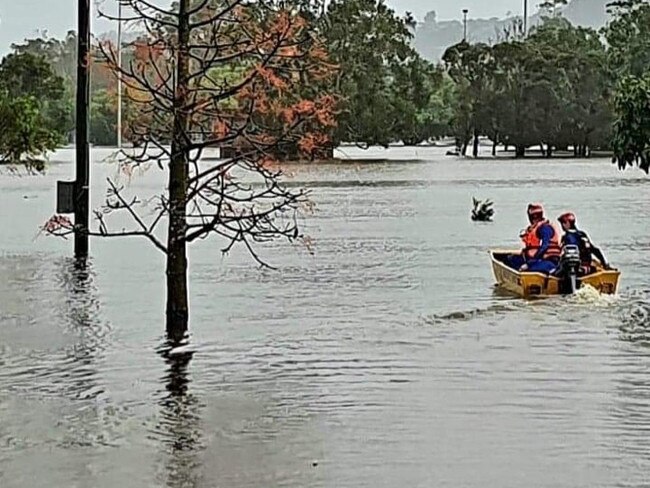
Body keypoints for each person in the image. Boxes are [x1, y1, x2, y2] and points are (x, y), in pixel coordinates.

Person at [507, 203, 562, 273]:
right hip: (536, 259)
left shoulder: (545, 228)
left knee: (527, 268)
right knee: (510, 259)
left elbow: (544, 246)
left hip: (547, 260)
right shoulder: (537, 227)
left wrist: (530, 263)